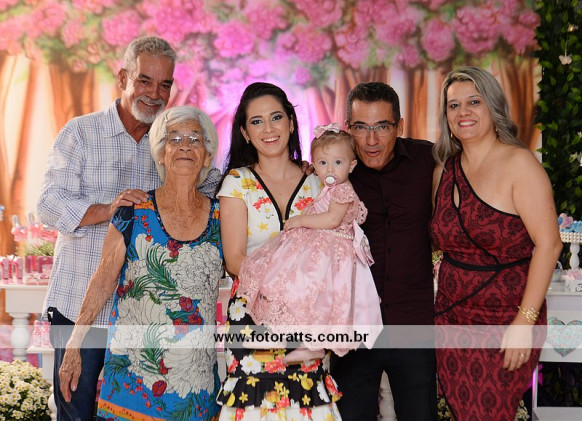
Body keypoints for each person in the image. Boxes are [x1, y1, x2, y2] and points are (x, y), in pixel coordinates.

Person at [37, 36, 220, 420]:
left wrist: (292, 170)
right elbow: (49, 204)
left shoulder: (170, 142)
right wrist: (110, 209)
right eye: (144, 81)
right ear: (123, 78)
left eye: (164, 84)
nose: (154, 94)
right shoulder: (81, 133)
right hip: (79, 306)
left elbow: (216, 182)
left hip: (140, 322)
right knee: (76, 414)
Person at [430, 66, 562, 420]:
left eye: (474, 101)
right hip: (451, 319)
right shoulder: (443, 172)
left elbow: (549, 245)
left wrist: (524, 322)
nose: (463, 111)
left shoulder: (520, 164)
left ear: (493, 106)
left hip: (507, 320)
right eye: (453, 105)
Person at [215, 82, 342, 420]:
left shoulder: (318, 181)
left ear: (291, 122)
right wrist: (291, 284)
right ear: (245, 133)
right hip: (253, 316)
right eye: (256, 122)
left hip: (308, 318)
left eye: (276, 118)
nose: (268, 129)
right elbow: (235, 261)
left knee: (308, 404)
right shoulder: (237, 183)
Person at [331, 81, 438, 421]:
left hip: (413, 324)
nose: (371, 140)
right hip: (355, 328)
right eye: (361, 127)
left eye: (382, 127)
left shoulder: (429, 160)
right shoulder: (335, 170)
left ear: (399, 126)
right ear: (349, 128)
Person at [237, 124, 383, 359]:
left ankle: (313, 347)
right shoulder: (329, 187)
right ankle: (283, 335)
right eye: (323, 163)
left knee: (315, 296)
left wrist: (300, 220)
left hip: (332, 252)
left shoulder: (343, 191)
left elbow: (332, 219)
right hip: (322, 245)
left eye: (338, 162)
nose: (330, 169)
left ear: (351, 165)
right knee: (293, 288)